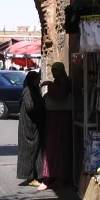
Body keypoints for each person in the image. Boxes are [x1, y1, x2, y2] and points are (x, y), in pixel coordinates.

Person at [37, 62, 72, 192]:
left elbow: (60, 94)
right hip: (53, 120)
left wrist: (49, 85)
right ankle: (50, 177)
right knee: (51, 147)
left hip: (61, 120)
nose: (53, 73)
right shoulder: (59, 81)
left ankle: (59, 178)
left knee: (58, 147)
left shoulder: (64, 82)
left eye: (55, 70)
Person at [17, 70, 45, 187]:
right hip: (28, 127)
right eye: (36, 79)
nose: (38, 81)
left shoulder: (33, 90)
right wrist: (41, 106)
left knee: (37, 150)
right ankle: (29, 177)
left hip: (34, 126)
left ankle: (38, 174)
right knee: (29, 151)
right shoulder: (28, 92)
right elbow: (30, 107)